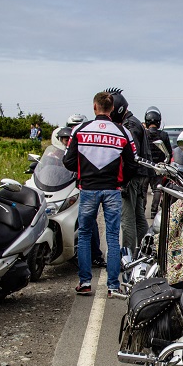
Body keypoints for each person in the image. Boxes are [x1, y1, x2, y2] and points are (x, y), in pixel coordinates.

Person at [63, 90, 136, 297]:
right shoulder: (122, 132)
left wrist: (83, 172)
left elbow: (67, 161)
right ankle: (113, 286)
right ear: (112, 109)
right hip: (112, 189)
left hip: (88, 189)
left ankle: (85, 282)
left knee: (85, 235)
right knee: (113, 236)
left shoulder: (80, 130)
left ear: (94, 107)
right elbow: (132, 164)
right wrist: (121, 181)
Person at [105, 88, 152, 252]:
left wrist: (123, 180)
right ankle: (146, 252)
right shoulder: (133, 122)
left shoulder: (129, 125)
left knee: (127, 219)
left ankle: (128, 255)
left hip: (132, 177)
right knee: (139, 216)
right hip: (139, 176)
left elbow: (131, 156)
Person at [54, 125, 106, 268]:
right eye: (63, 139)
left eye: (67, 139)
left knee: (89, 222)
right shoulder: (54, 155)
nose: (65, 142)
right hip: (60, 189)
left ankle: (95, 255)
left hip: (78, 188)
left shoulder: (79, 150)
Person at [143, 106, 174, 218]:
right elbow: (169, 152)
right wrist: (166, 165)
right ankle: (153, 211)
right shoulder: (164, 135)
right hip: (159, 167)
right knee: (157, 189)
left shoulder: (144, 134)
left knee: (143, 189)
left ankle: (142, 210)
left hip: (146, 166)